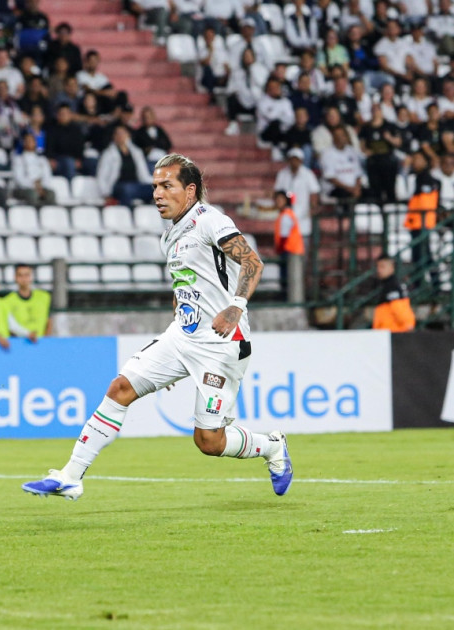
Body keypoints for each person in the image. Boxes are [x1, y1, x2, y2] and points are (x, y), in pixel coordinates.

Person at [22, 153, 293, 500]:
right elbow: (183, 290)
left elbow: (252, 261)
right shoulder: (170, 236)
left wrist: (235, 307)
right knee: (120, 387)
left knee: (209, 442)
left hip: (222, 344)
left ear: (191, 190)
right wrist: (172, 359)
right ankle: (71, 476)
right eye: (154, 187)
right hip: (182, 338)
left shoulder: (210, 220)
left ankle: (271, 447)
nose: (157, 194)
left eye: (167, 186)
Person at [405, 150, 440, 291]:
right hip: (417, 222)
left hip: (422, 223)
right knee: (421, 255)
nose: (415, 162)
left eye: (419, 159)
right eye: (414, 159)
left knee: (422, 255)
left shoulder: (425, 178)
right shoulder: (417, 177)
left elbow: (424, 202)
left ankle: (426, 284)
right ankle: (429, 284)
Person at [97, 125, 153, 206]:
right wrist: (106, 194)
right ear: (114, 137)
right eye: (118, 134)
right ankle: (127, 214)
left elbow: (144, 175)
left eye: (123, 133)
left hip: (136, 185)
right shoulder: (108, 154)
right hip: (117, 186)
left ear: (128, 135)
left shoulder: (137, 152)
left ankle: (150, 216)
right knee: (127, 189)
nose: (121, 136)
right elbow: (101, 176)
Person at [273, 147, 320, 236]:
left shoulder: (308, 174)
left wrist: (313, 206)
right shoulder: (282, 174)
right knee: (285, 239)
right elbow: (277, 192)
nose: (294, 162)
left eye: (296, 159)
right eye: (292, 159)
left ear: (301, 160)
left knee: (302, 242)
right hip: (286, 214)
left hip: (303, 214)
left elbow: (314, 192)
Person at [2, 263, 52, 342]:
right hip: (20, 344)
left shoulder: (44, 297)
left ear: (31, 277)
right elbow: (9, 327)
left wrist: (45, 341)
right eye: (20, 275)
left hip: (40, 343)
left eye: (27, 275)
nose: (24, 279)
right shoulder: (7, 301)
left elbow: (48, 321)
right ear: (15, 278)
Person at [272, 190, 305, 297]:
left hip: (289, 250)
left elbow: (284, 236)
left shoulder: (286, 215)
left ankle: (286, 297)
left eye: (280, 200)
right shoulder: (286, 214)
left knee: (287, 277)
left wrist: (279, 250)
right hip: (291, 250)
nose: (278, 202)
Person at [372, 255, 417, 332]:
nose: (379, 270)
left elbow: (400, 309)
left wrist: (408, 326)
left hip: (394, 334)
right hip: (386, 334)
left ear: (391, 268)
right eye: (378, 267)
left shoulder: (393, 286)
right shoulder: (386, 285)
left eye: (382, 267)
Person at [12, 132, 56, 206]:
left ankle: (48, 215)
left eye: (31, 141)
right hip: (23, 188)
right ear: (23, 143)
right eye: (27, 141)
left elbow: (47, 176)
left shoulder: (42, 159)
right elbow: (19, 179)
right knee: (33, 194)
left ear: (35, 143)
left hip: (40, 187)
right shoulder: (18, 159)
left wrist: (41, 187)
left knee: (51, 194)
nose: (29, 143)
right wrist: (34, 185)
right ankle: (35, 214)